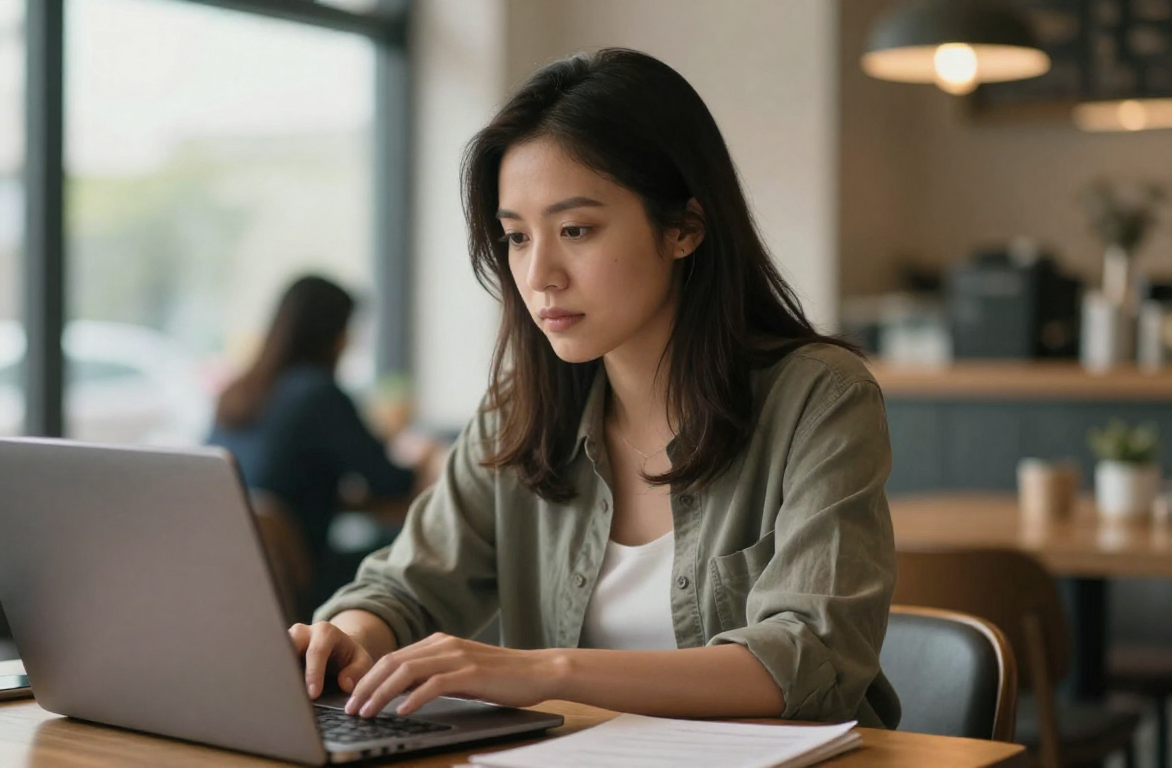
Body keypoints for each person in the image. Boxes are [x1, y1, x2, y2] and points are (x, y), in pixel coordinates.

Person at [289, 48, 900, 728]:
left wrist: (543, 672)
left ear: (684, 228)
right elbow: (405, 587)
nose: (540, 274)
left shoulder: (818, 398)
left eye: (576, 230)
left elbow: (811, 658)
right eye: (516, 237)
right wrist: (348, 634)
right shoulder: (520, 415)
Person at [209, 276, 440, 612]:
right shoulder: (318, 394)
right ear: (336, 333)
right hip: (303, 582)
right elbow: (391, 482)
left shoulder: (237, 395)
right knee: (430, 555)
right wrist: (425, 455)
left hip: (237, 581)